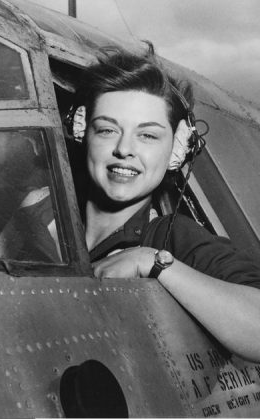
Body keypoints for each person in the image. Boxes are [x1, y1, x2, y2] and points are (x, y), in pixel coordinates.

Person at [72, 45, 260, 362]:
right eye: (107, 129)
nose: (124, 149)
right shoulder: (35, 219)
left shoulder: (170, 238)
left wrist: (152, 262)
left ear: (176, 149)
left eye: (147, 135)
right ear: (82, 130)